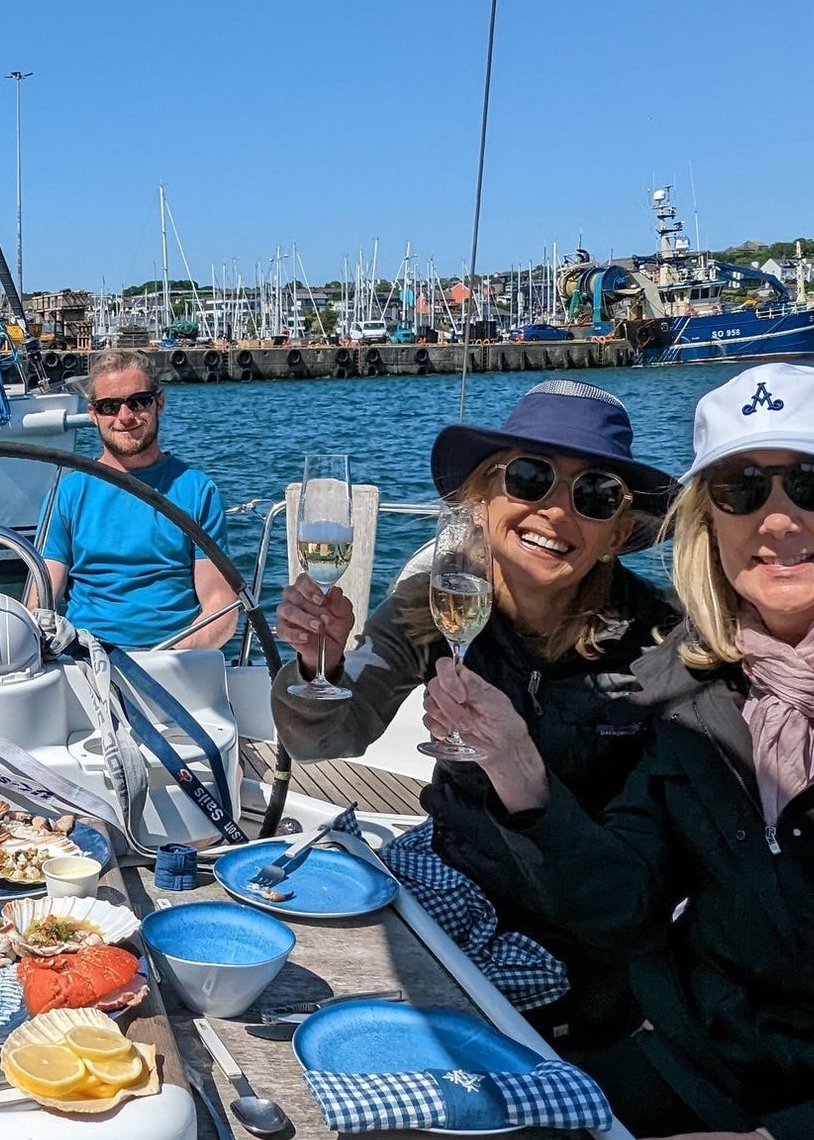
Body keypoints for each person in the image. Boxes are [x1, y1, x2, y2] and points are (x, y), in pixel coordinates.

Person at [433, 363, 814, 1140]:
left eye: (812, 484)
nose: (776, 519)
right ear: (704, 524)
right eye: (739, 491)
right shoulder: (698, 689)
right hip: (709, 1070)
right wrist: (519, 770)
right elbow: (625, 898)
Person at [273, 379, 678, 1051]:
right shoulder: (435, 598)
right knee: (292, 965)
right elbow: (327, 735)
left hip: (570, 930)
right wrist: (321, 665)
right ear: (484, 500)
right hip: (448, 870)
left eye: (595, 494)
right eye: (529, 478)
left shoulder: (661, 645)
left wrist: (521, 765)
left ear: (616, 534)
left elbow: (644, 886)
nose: (553, 511)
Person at [41, 349, 236, 650]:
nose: (125, 416)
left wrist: (170, 659)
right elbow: (42, 596)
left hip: (177, 658)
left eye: (138, 402)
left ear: (159, 403)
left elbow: (220, 603)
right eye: (109, 406)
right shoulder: (68, 492)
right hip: (87, 662)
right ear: (93, 415)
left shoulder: (197, 490)